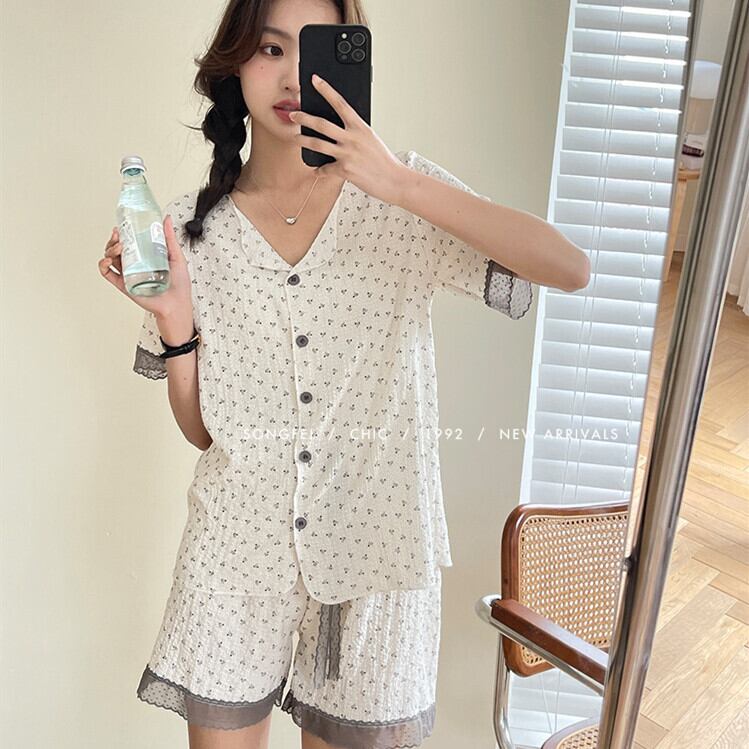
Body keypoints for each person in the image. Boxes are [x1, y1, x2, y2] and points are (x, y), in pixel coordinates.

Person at [99, 1, 590, 747]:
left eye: (316, 49)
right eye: (270, 49)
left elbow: (568, 266)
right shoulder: (192, 230)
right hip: (235, 554)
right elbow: (204, 432)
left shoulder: (399, 199)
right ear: (235, 62)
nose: (294, 76)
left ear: (350, 57)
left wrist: (398, 182)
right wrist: (175, 322)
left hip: (376, 555)